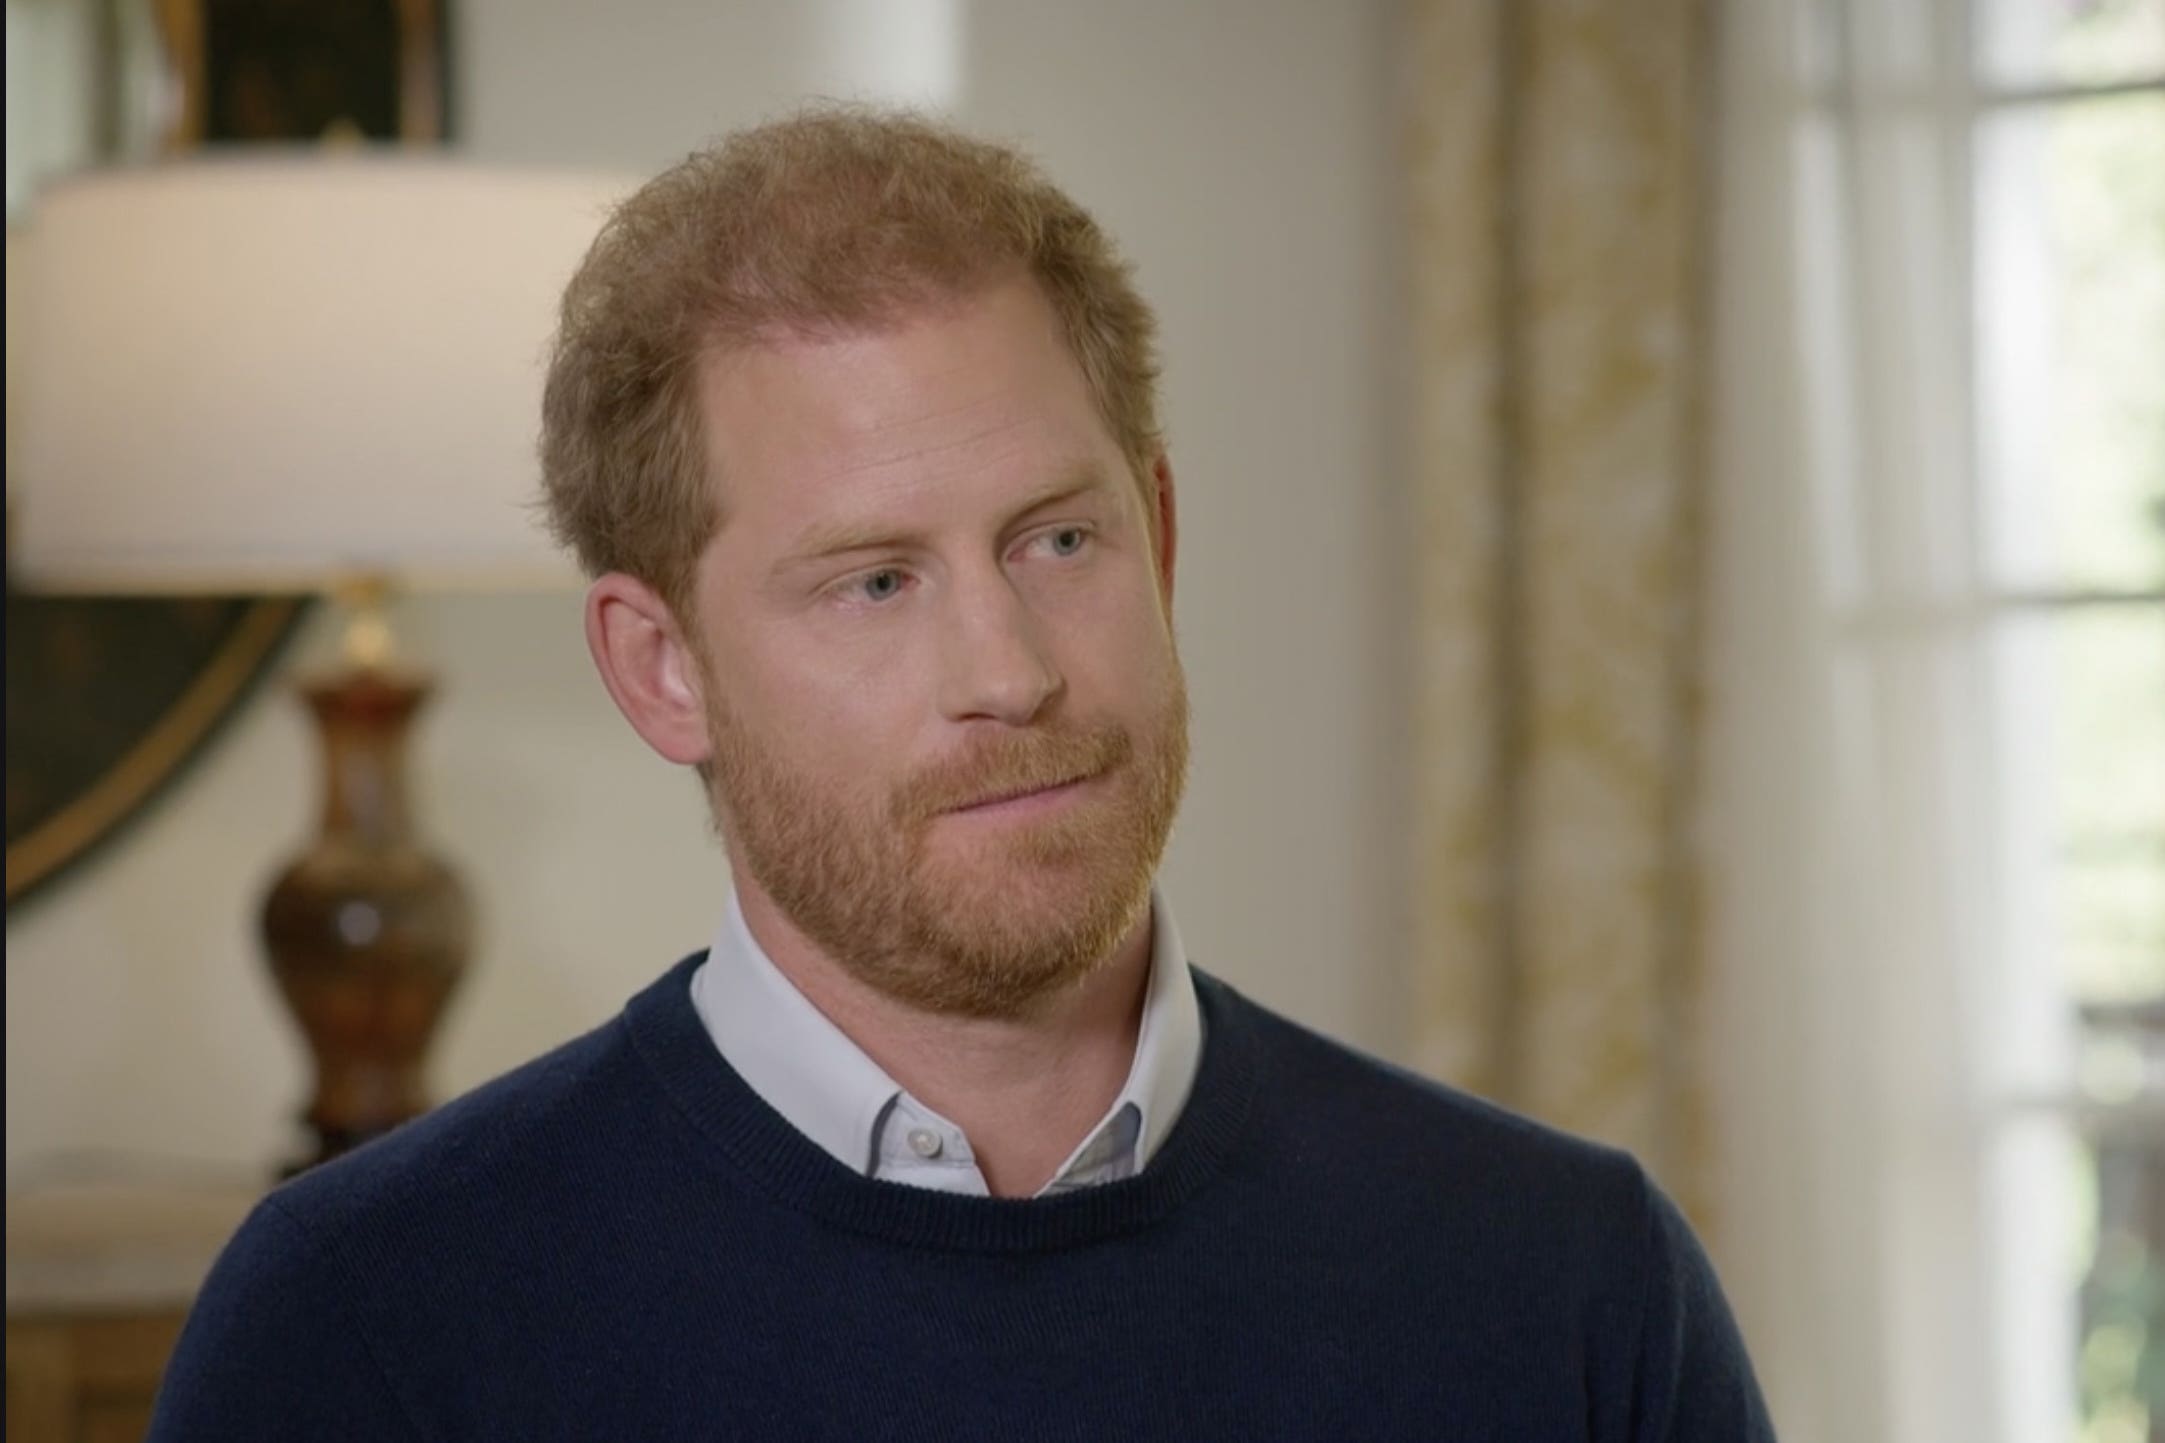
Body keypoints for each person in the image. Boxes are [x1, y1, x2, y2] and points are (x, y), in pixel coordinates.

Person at [149, 107, 1775, 1441]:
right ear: (662, 668)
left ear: (1161, 536)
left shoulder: (1564, 1281)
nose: (1010, 671)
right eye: (873, 582)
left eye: (1058, 540)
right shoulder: (364, 1325)